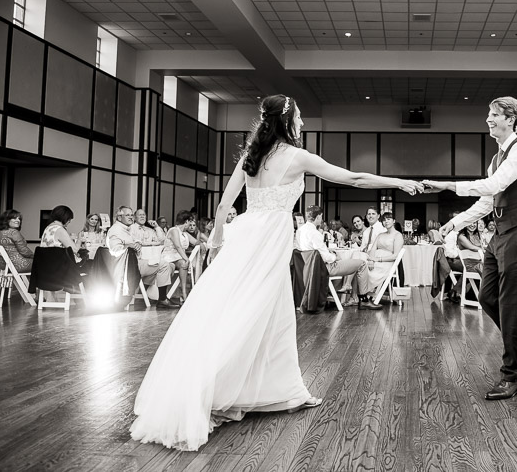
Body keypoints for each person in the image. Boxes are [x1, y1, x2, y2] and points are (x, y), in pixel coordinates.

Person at [130, 94, 422, 451]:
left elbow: (223, 205)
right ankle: (217, 386)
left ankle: (276, 389)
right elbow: (355, 179)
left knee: (241, 309)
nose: (301, 121)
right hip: (268, 240)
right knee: (259, 313)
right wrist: (397, 181)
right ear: (288, 121)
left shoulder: (252, 154)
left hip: (245, 235)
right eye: (299, 116)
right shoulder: (296, 156)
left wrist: (219, 242)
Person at [423, 96, 517, 401]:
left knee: (509, 306)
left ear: (513, 120)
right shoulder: (496, 158)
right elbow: (487, 201)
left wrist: (448, 186)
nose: (489, 119)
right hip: (499, 236)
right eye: (489, 114)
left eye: (495, 115)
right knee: (487, 296)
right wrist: (455, 223)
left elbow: (493, 186)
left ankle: (512, 374)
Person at [296, 206, 374, 309]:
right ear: (319, 216)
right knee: (361, 264)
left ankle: (345, 292)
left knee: (348, 261)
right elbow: (326, 258)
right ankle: (363, 299)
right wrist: (335, 257)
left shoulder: (299, 231)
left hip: (306, 268)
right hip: (323, 268)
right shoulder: (315, 233)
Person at [107, 206, 177, 308]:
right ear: (119, 217)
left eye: (131, 215)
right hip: (126, 267)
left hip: (134, 262)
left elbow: (161, 240)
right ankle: (162, 299)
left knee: (159, 264)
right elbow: (114, 250)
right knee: (164, 265)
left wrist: (137, 243)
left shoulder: (125, 228)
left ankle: (145, 293)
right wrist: (130, 246)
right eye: (127, 215)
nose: (131, 217)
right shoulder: (116, 230)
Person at [162, 211, 199, 300]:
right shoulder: (174, 230)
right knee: (184, 263)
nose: (191, 225)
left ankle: (183, 292)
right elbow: (178, 246)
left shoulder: (185, 234)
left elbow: (195, 242)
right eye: (190, 222)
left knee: (183, 263)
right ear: (186, 222)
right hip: (169, 257)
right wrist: (187, 259)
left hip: (178, 258)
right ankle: (179, 294)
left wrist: (201, 244)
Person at [365, 212, 405, 295]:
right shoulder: (380, 235)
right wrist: (371, 260)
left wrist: (378, 259)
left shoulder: (398, 235)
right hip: (374, 260)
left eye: (388, 219)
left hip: (387, 263)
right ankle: (360, 294)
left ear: (394, 221)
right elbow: (372, 249)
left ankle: (364, 292)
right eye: (384, 220)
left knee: (364, 270)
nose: (386, 221)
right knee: (361, 264)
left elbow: (395, 255)